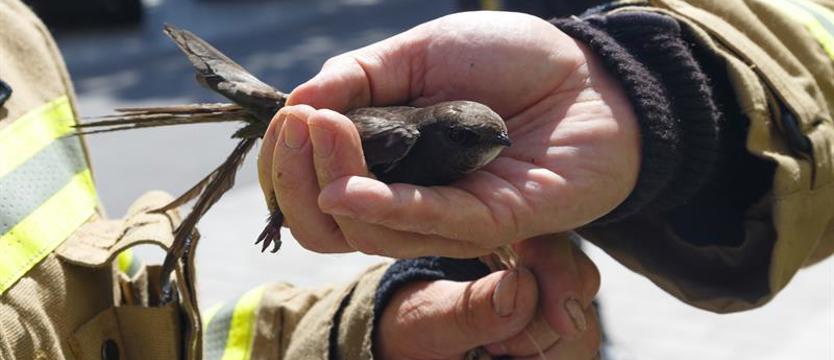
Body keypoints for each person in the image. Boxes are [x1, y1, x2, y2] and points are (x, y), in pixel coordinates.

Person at [257, 0, 834, 358]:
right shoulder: (401, 136)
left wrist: (642, 95)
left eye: (495, 138)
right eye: (473, 141)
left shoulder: (480, 143)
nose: (495, 148)